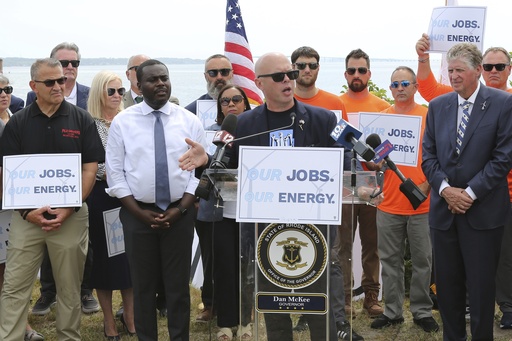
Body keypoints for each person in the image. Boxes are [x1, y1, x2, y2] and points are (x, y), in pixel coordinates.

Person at [180, 52, 339, 341]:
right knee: (274, 301)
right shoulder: (242, 125)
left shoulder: (323, 119)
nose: (288, 80)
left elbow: (349, 161)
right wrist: (205, 160)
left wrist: (369, 163)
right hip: (265, 229)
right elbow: (222, 166)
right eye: (279, 77)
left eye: (290, 74)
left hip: (314, 227)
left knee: (318, 300)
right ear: (259, 83)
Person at [0, 58, 104, 341]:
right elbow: (4, 172)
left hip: (70, 216)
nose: (59, 85)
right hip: (26, 218)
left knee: (70, 286)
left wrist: (70, 207)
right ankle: (8, 336)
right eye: (51, 82)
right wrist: (25, 212)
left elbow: (90, 168)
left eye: (62, 80)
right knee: (15, 284)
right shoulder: (18, 122)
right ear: (34, 86)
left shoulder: (81, 118)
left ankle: (69, 336)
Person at [105, 59, 208, 340]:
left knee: (177, 288)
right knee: (143, 287)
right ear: (138, 85)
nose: (160, 83)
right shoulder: (123, 123)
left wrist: (182, 208)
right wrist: (138, 213)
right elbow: (115, 174)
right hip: (138, 215)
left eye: (164, 78)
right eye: (153, 79)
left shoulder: (189, 121)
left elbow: (198, 173)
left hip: (180, 213)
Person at [416, 33, 512, 329]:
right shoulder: (438, 106)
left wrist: (469, 193)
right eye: (450, 70)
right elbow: (428, 157)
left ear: (476, 70)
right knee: (448, 288)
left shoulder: (502, 104)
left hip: (483, 214)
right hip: (444, 214)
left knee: (482, 289)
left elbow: (503, 157)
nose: (453, 75)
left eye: (459, 70)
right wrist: (446, 191)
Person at [291, 46, 363, 341]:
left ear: (319, 68)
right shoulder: (282, 101)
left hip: (324, 197)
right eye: (301, 65)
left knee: (328, 257)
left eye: (312, 64)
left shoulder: (334, 103)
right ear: (293, 69)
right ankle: (303, 313)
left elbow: (347, 148)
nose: (307, 69)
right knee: (295, 257)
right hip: (287, 197)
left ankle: (337, 323)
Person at [28, 42, 99, 316]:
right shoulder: (35, 98)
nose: (69, 69)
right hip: (42, 181)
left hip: (82, 180)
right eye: (64, 63)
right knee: (46, 235)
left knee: (83, 242)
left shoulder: (89, 96)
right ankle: (48, 293)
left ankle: (84, 291)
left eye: (74, 64)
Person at [367, 66, 439, 333]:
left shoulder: (428, 117)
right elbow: (376, 163)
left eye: (405, 83)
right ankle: (392, 311)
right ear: (390, 88)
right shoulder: (382, 120)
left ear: (415, 87)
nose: (399, 89)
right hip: (389, 204)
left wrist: (428, 184)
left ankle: (421, 311)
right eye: (395, 84)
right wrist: (374, 166)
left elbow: (441, 154)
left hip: (422, 203)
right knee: (390, 261)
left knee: (423, 261)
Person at [198, 84, 253, 340]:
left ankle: (246, 323)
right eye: (225, 101)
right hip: (220, 214)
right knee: (223, 268)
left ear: (245, 103)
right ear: (219, 107)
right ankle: (225, 323)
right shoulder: (211, 134)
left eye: (236, 99)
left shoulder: (256, 132)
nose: (231, 104)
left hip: (250, 213)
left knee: (247, 270)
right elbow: (203, 171)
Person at [338, 48, 390, 318]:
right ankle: (344, 299)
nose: (356, 75)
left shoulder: (383, 107)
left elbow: (387, 150)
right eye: (351, 70)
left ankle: (371, 296)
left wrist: (380, 162)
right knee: (342, 244)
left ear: (369, 73)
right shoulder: (336, 106)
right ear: (345, 74)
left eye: (361, 70)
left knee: (373, 242)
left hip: (373, 183)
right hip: (344, 183)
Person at [86, 71, 136, 340]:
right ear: (99, 94)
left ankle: (130, 315)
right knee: (106, 262)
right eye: (111, 91)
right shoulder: (88, 124)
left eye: (120, 91)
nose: (118, 96)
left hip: (132, 197)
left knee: (130, 260)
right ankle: (109, 320)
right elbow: (89, 164)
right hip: (102, 197)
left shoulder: (131, 120)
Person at [185, 53, 233, 323]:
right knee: (210, 254)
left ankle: (241, 306)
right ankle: (210, 303)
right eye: (213, 73)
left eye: (224, 71)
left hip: (242, 199)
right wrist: (192, 194)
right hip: (204, 197)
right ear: (205, 77)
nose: (219, 77)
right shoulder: (191, 111)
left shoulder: (248, 112)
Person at [0, 75, 44, 341]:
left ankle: (19, 324)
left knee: (12, 270)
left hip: (15, 207)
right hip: (7, 202)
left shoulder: (16, 118)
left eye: (7, 89)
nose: (3, 94)